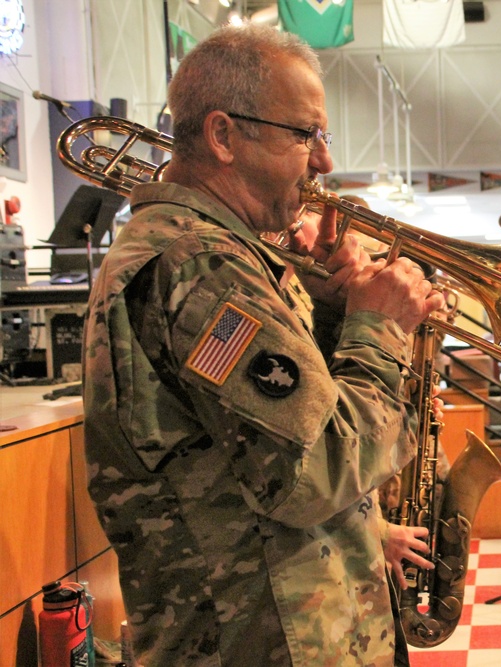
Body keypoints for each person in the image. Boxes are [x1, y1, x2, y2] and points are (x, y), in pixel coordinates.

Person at [81, 25, 445, 666]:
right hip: (261, 642)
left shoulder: (211, 255)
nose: (324, 162)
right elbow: (315, 471)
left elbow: (274, 432)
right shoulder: (199, 264)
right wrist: (380, 329)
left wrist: (334, 313)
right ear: (223, 135)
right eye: (304, 135)